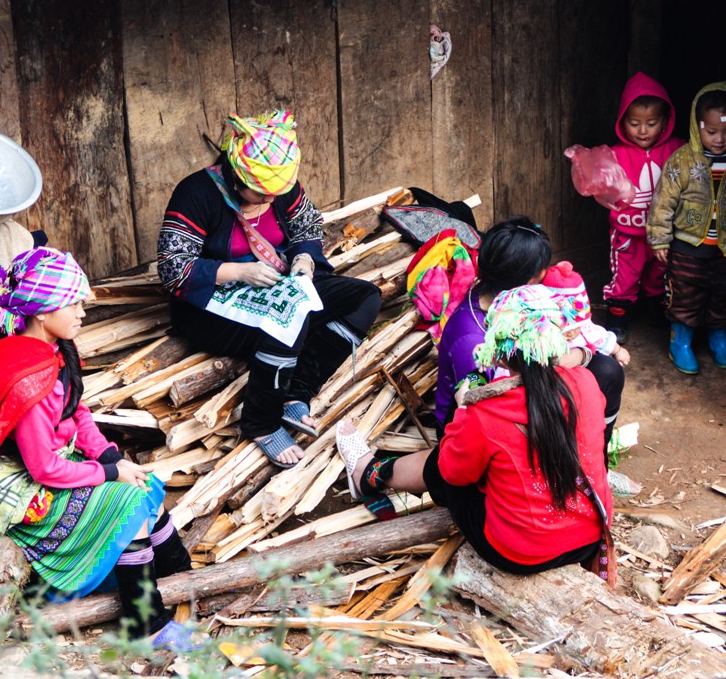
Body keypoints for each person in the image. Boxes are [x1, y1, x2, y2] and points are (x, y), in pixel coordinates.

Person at [0, 248, 192, 644]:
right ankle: (145, 626)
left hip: (53, 463)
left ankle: (180, 580)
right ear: (43, 312)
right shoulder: (26, 375)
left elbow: (77, 412)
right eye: (73, 302)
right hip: (20, 489)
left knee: (144, 486)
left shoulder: (56, 349)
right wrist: (111, 473)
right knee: (127, 501)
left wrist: (112, 457)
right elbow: (42, 468)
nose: (82, 311)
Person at [338, 286, 615, 584]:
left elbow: (453, 474)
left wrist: (463, 412)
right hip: (589, 537)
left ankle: (369, 473)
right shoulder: (585, 381)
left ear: (500, 353)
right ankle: (373, 473)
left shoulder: (487, 411)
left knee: (442, 464)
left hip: (521, 554)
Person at [157, 110, 381, 467]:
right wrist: (238, 271)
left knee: (365, 297)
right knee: (287, 318)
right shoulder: (196, 193)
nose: (267, 201)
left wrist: (305, 260)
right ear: (234, 175)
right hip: (210, 305)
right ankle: (260, 422)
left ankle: (298, 390)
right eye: (258, 194)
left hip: (277, 279)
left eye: (272, 195)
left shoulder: (281, 188)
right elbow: (172, 269)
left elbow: (307, 225)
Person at [435, 218, 625, 458]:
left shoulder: (516, 300)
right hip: (478, 422)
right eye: (543, 269)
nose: (550, 272)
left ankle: (595, 460)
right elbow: (496, 399)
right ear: (527, 281)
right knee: (584, 387)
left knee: (607, 371)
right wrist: (580, 354)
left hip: (522, 381)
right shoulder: (472, 340)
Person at [647, 81, 726, 375]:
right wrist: (659, 239)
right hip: (687, 249)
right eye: (711, 132)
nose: (719, 139)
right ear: (698, 128)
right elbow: (662, 201)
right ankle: (680, 342)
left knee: (725, 296)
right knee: (684, 296)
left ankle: (719, 339)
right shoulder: (682, 160)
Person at [604, 72, 686, 343]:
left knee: (659, 276)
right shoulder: (615, 155)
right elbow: (600, 186)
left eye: (651, 123)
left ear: (664, 122)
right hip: (628, 235)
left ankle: (656, 313)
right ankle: (617, 320)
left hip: (662, 236)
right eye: (634, 123)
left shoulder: (678, 150)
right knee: (624, 279)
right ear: (622, 122)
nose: (642, 130)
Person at [539, 262, 631, 367]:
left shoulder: (585, 329)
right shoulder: (544, 336)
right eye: (565, 329)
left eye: (576, 327)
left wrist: (618, 350)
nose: (571, 333)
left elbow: (600, 337)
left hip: (583, 364)